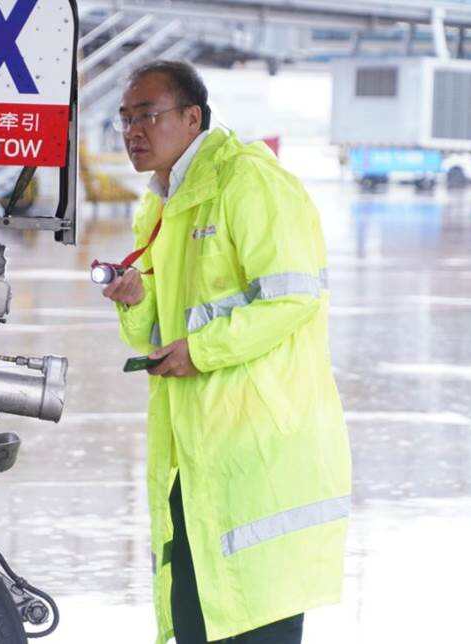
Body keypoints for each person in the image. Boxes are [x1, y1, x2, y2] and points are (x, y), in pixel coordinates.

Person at [101, 60, 351, 644]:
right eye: (125, 119)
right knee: (198, 617)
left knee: (255, 617)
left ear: (193, 118)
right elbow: (157, 332)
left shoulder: (250, 182)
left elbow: (294, 298)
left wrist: (201, 351)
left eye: (147, 115)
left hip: (260, 448)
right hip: (198, 451)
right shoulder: (162, 204)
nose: (134, 131)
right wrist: (136, 299)